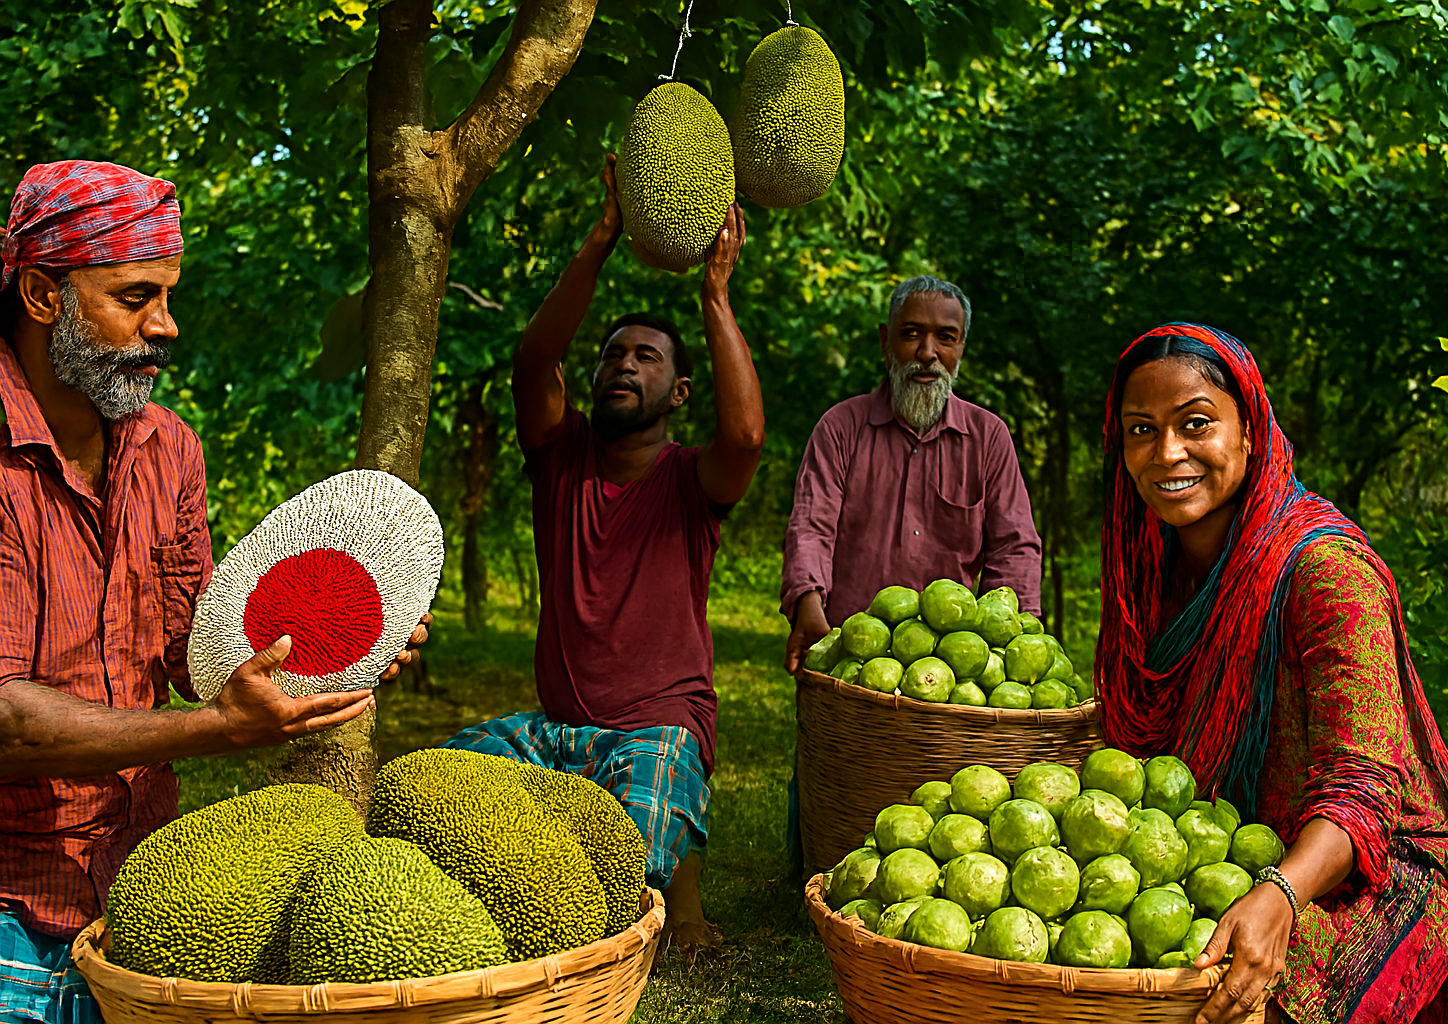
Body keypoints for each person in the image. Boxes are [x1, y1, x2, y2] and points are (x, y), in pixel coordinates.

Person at [0, 160, 428, 1024]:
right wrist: (217, 729)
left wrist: (323, 649)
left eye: (169, 295)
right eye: (136, 298)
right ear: (44, 296)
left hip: (147, 881)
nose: (168, 325)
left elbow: (198, 656)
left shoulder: (170, 450)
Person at [1096, 323, 1448, 1024]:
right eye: (1141, 429)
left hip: (1367, 872)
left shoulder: (1327, 573)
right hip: (1215, 854)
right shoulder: (1148, 576)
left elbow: (1363, 788)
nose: (1167, 452)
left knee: (1220, 994)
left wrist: (1280, 893)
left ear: (1250, 431)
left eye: (1196, 424)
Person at [445, 155, 763, 953]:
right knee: (440, 789)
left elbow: (748, 436)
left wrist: (715, 296)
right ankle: (627, 903)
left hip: (659, 726)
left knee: (631, 852)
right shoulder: (561, 456)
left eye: (646, 357)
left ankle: (655, 907)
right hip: (554, 730)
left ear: (678, 393)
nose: (623, 363)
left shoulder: (694, 480)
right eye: (613, 354)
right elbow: (532, 363)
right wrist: (601, 237)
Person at [780, 274, 1043, 673]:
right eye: (912, 334)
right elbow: (811, 529)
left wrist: (1009, 644)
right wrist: (807, 606)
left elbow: (1014, 547)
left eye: (946, 337)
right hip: (849, 655)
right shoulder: (840, 428)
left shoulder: (988, 437)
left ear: (961, 348)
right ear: (886, 341)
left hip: (949, 669)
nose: (927, 352)